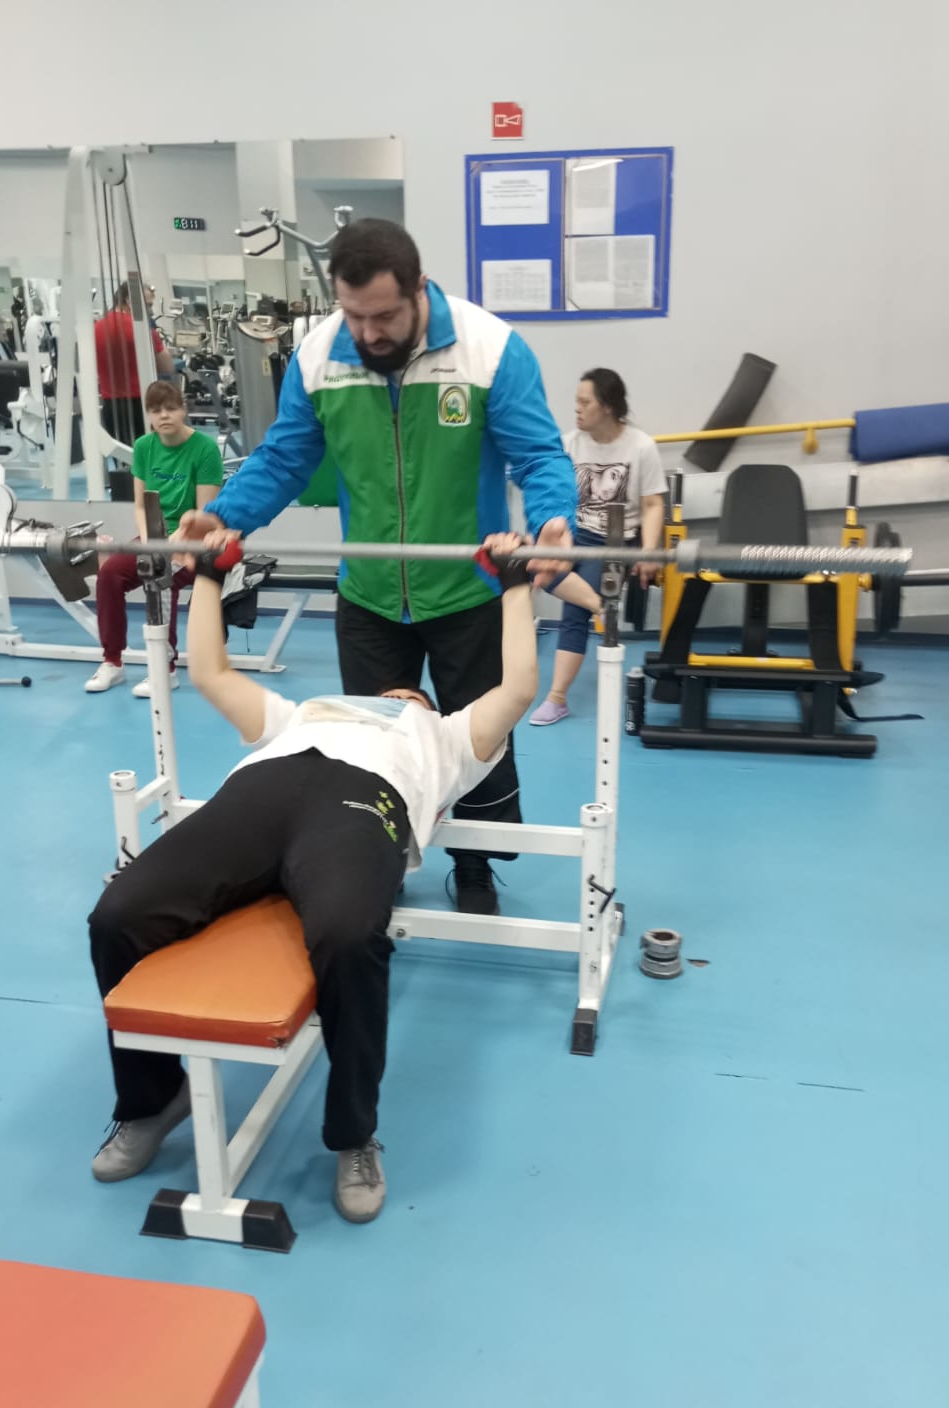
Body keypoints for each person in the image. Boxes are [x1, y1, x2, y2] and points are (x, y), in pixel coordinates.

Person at [87, 531, 550, 1223]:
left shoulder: (447, 736)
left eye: (414, 695)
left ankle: (353, 1134)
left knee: (349, 937)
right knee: (116, 915)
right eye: (396, 691)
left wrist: (515, 584)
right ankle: (152, 1100)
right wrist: (210, 575)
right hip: (262, 790)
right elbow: (211, 674)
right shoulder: (304, 713)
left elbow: (517, 688)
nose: (402, 694)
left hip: (363, 802)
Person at [174, 218, 577, 917]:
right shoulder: (319, 355)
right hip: (367, 597)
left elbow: (539, 456)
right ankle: (375, 864)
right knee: (369, 758)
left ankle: (474, 863)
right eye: (353, 315)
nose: (368, 332)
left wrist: (550, 519)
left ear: (419, 288)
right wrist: (226, 515)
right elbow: (285, 458)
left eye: (384, 316)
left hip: (468, 592)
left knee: (479, 746)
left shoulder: (489, 349)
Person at [530, 369, 667, 726]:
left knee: (573, 612)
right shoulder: (569, 443)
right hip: (575, 534)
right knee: (534, 568)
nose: (576, 409)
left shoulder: (640, 446)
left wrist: (649, 553)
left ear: (607, 406)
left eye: (584, 402)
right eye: (576, 401)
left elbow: (653, 504)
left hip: (615, 539)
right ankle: (601, 608)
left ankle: (557, 698)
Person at [84, 381, 224, 695]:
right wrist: (151, 541)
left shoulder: (205, 449)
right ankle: (112, 661)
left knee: (161, 577)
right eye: (156, 410)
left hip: (194, 543)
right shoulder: (144, 447)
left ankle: (165, 668)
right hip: (155, 537)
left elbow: (204, 515)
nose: (164, 416)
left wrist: (171, 544)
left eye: (171, 409)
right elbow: (139, 505)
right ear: (148, 414)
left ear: (183, 410)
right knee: (109, 574)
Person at [94, 281, 175, 448]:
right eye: (148, 305)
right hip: (142, 405)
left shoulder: (96, 328)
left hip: (111, 406)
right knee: (150, 457)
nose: (150, 311)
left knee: (123, 455)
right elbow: (167, 367)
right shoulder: (142, 329)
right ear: (129, 301)